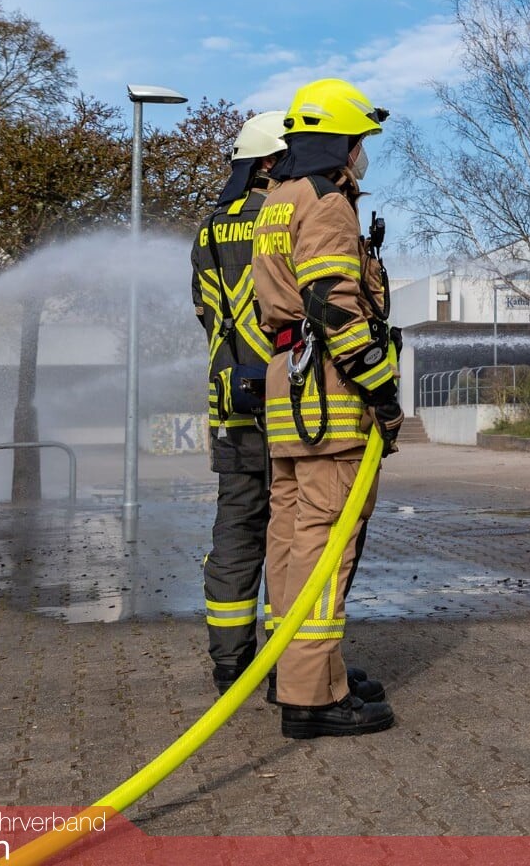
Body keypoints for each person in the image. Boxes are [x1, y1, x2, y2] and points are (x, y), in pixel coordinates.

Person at [252, 78, 401, 738]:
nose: (363, 154)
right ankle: (312, 698)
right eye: (361, 141)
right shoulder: (326, 202)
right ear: (341, 141)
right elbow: (334, 306)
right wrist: (383, 394)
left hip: (287, 383)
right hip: (330, 394)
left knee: (289, 534)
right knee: (325, 541)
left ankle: (292, 670)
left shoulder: (276, 200)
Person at [192, 110, 288, 693]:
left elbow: (205, 312)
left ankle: (230, 663)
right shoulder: (283, 219)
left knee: (235, 531)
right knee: (291, 535)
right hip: (289, 403)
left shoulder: (208, 229)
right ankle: (289, 665)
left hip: (229, 406)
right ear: (271, 162)